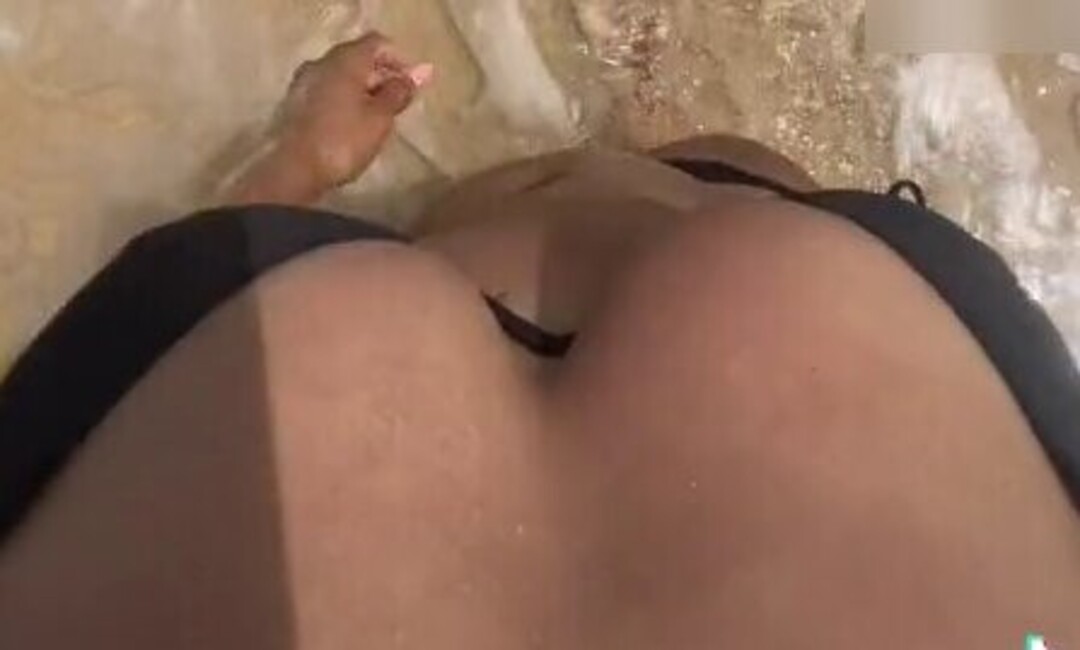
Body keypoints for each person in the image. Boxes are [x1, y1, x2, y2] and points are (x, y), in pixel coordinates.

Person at [0, 33, 1078, 649]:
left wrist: (295, 167)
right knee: (721, 167)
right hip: (840, 326)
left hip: (836, 307)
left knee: (707, 182)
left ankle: (649, 145)